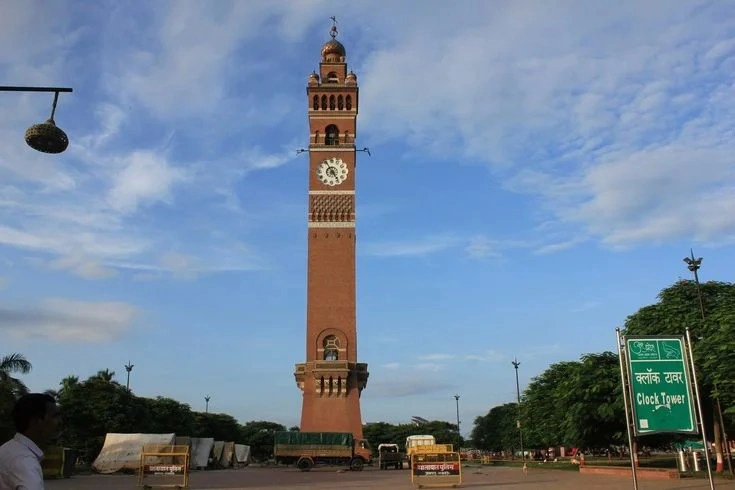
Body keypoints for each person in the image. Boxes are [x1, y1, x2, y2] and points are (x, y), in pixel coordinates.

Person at [0, 393, 61, 490]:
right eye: (55, 416)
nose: (59, 421)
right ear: (36, 420)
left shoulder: (8, 449)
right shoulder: (25, 461)